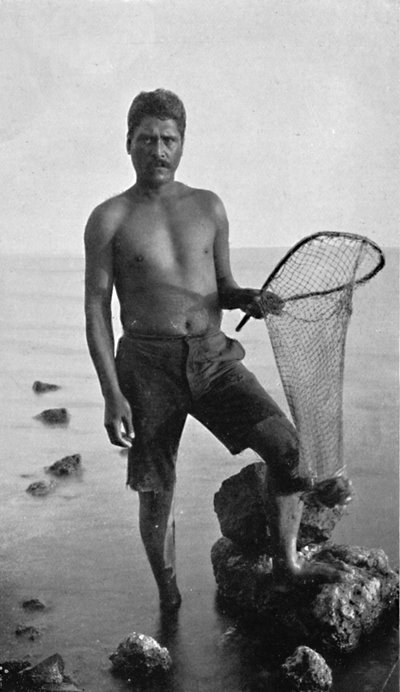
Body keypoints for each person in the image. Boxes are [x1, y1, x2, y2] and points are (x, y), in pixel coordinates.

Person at [84, 88, 346, 611]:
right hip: (146, 364)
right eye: (146, 139)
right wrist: (112, 395)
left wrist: (247, 297)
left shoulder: (208, 207)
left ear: (183, 143)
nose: (158, 150)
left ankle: (288, 564)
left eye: (168, 139)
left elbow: (223, 286)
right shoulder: (109, 218)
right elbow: (95, 309)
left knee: (287, 449)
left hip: (211, 357)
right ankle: (168, 594)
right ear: (128, 143)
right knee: (156, 486)